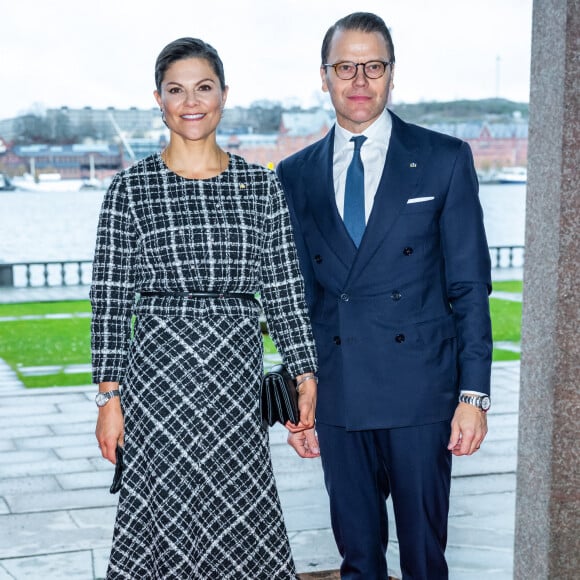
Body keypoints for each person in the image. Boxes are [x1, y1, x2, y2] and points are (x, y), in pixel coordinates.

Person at [91, 37, 318, 579]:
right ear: (159, 99)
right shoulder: (129, 191)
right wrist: (108, 397)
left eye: (203, 87)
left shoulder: (260, 188)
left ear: (223, 96)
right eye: (176, 90)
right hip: (159, 383)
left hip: (235, 381)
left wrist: (305, 371)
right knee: (163, 515)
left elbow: (284, 289)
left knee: (241, 513)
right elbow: (110, 301)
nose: (191, 101)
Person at [277, 12, 492, 580]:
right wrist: (297, 398)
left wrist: (474, 395)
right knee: (358, 560)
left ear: (392, 74)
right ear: (323, 77)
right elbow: (295, 298)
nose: (360, 80)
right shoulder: (293, 175)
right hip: (340, 392)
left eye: (374, 66)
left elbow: (470, 286)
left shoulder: (444, 158)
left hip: (422, 393)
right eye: (345, 66)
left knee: (425, 560)